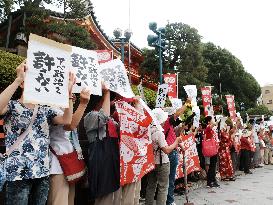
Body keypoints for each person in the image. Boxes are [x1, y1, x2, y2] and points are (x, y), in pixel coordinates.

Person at [0, 61, 75, 205]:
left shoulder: (45, 109)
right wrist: (18, 79)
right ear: (23, 84)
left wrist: (69, 93)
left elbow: (66, 120)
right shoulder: (12, 106)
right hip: (17, 173)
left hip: (42, 172)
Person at [48, 89, 91, 205]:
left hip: (68, 162)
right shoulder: (51, 108)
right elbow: (70, 125)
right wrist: (83, 104)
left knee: (69, 200)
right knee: (59, 201)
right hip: (57, 164)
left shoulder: (63, 107)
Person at [84, 85, 121, 205]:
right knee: (104, 192)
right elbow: (103, 117)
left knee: (113, 192)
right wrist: (106, 92)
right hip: (100, 159)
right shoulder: (91, 116)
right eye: (109, 99)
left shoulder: (110, 119)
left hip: (111, 158)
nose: (111, 102)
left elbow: (123, 128)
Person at [145, 108, 182, 205]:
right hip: (162, 162)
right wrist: (176, 142)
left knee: (151, 186)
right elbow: (167, 150)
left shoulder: (148, 130)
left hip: (152, 162)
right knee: (163, 187)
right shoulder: (159, 132)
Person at [163, 100, 189, 205]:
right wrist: (187, 103)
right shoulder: (166, 123)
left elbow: (174, 137)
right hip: (169, 153)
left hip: (171, 152)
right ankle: (169, 201)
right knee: (169, 179)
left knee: (169, 179)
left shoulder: (170, 126)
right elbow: (178, 113)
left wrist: (180, 145)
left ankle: (168, 199)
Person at [203, 116, 220, 188]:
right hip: (211, 148)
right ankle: (210, 181)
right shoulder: (207, 128)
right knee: (212, 166)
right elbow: (212, 125)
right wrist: (217, 121)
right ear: (209, 122)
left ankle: (212, 180)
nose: (213, 120)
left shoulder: (212, 128)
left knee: (213, 165)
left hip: (214, 147)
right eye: (212, 119)